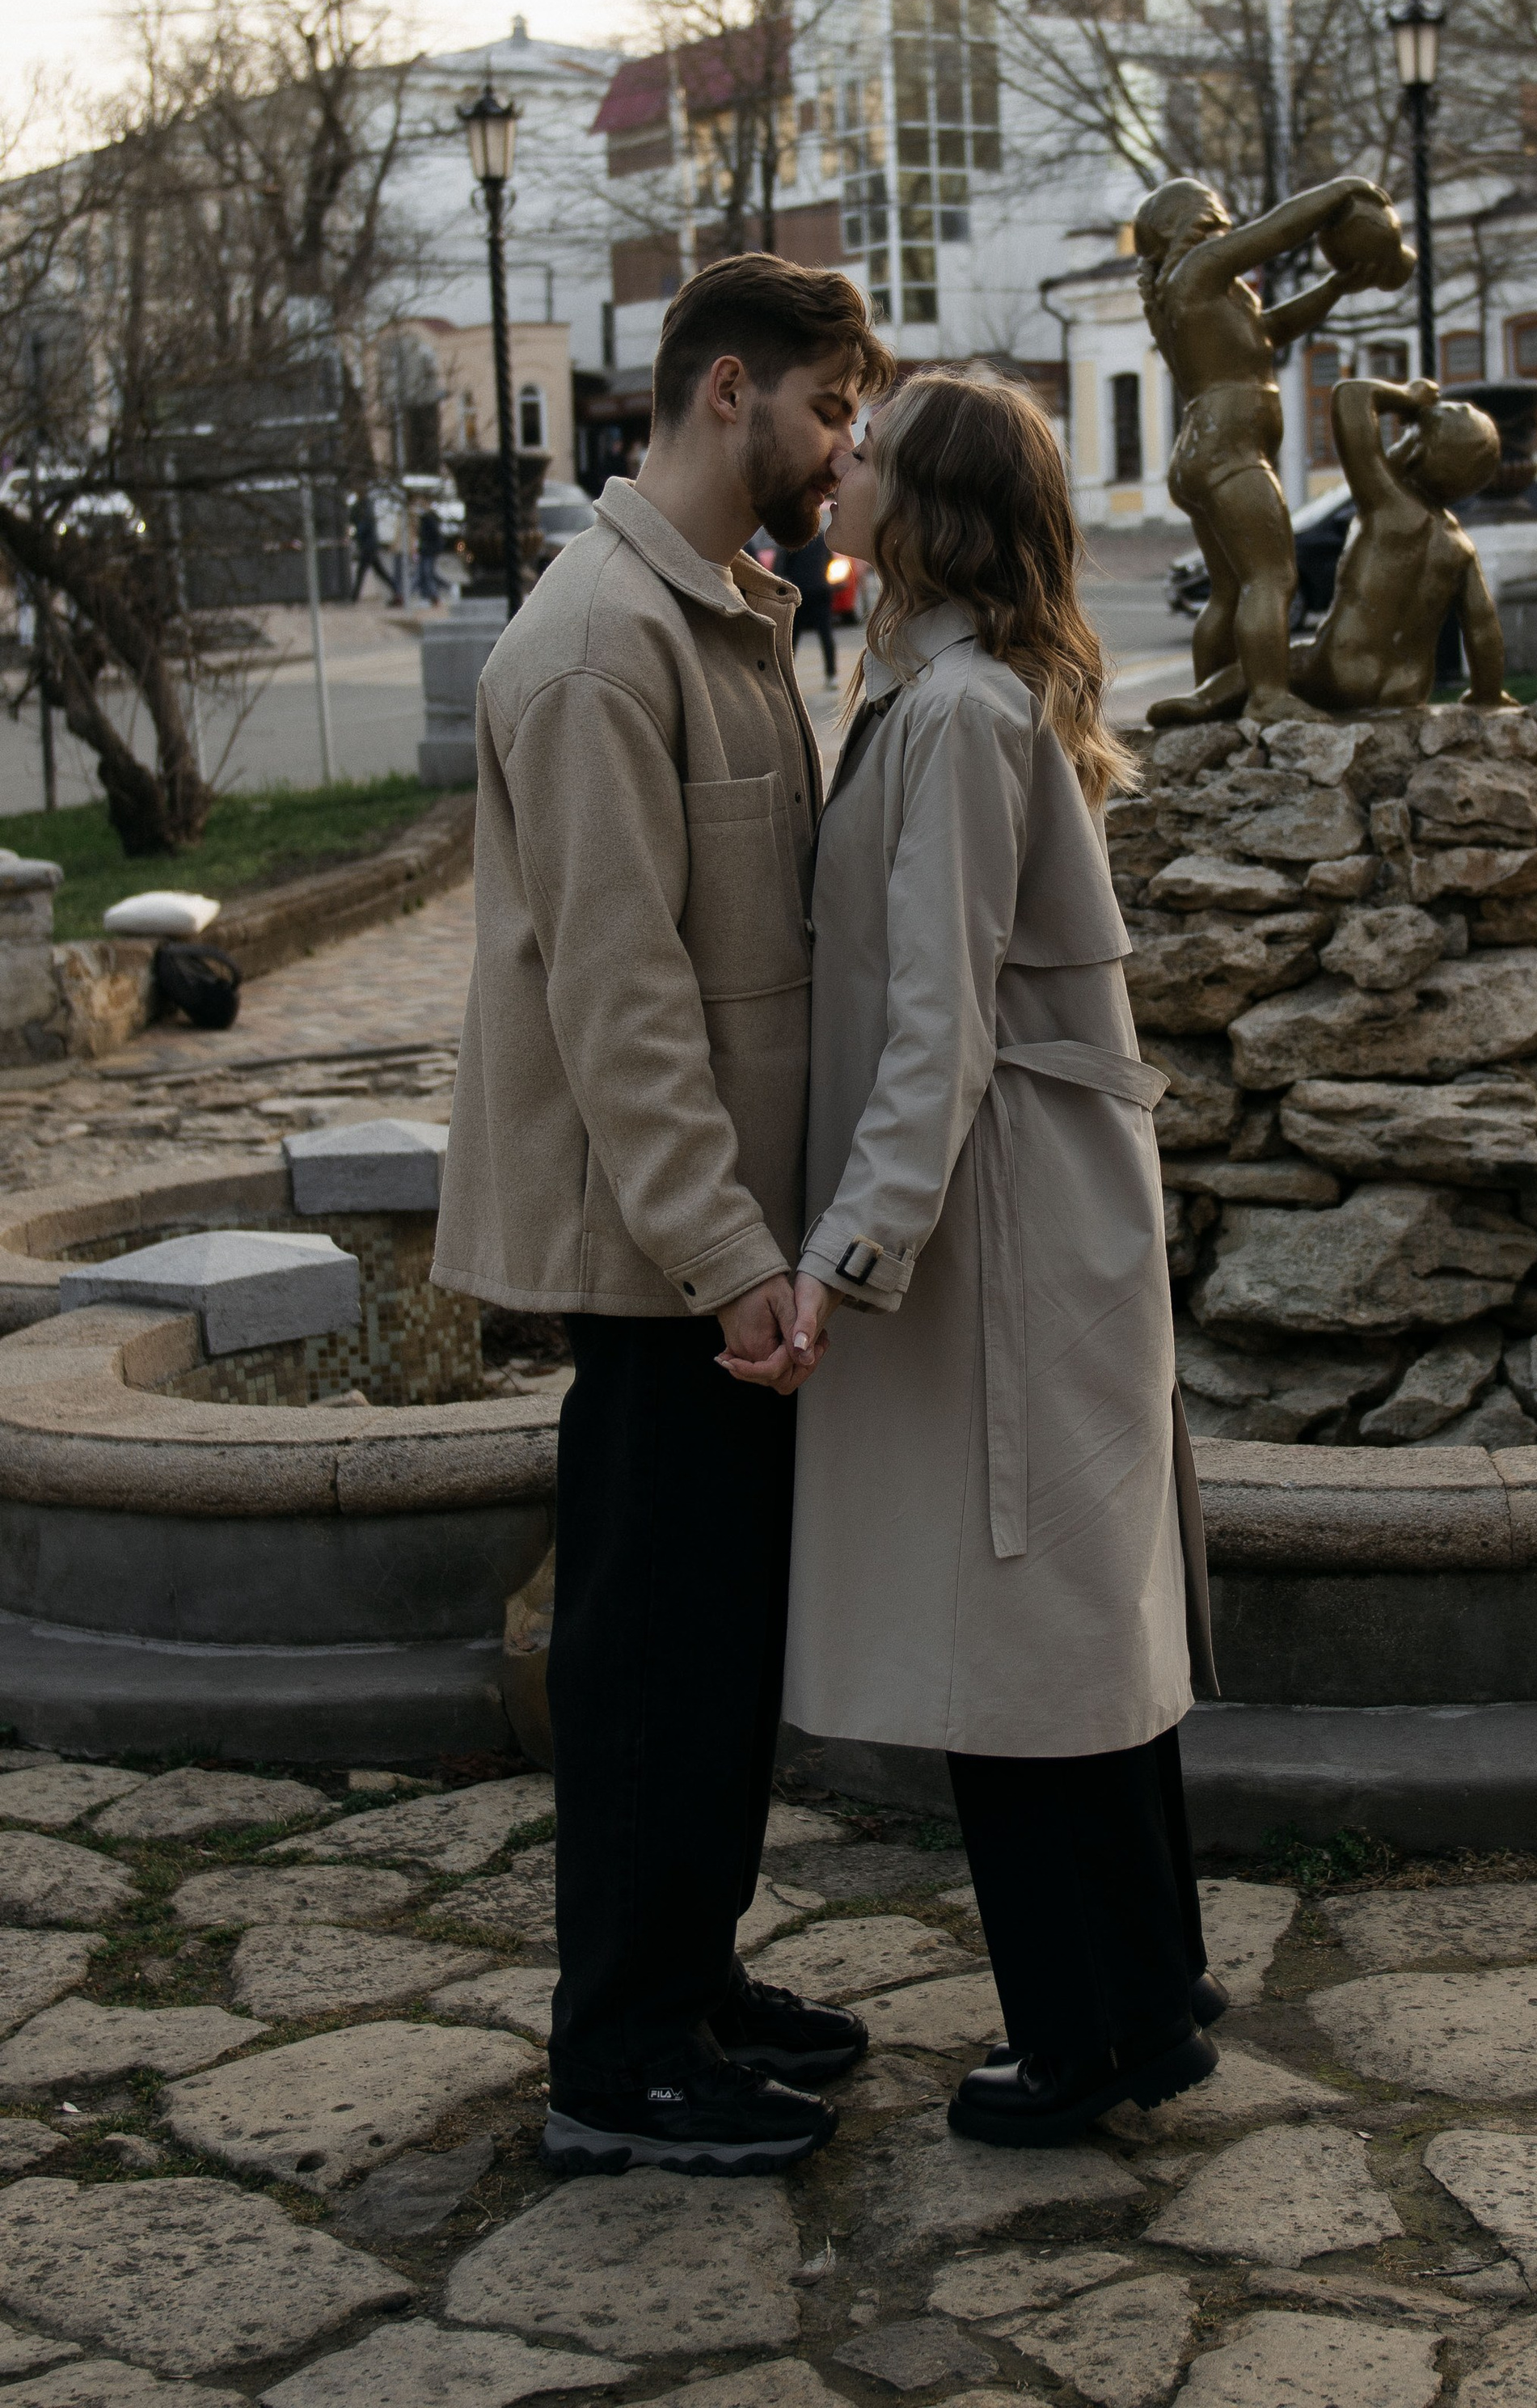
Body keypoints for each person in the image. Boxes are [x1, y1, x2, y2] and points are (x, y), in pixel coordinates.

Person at [430, 252, 897, 2179]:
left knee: (711, 1644)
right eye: (824, 409)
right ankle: (617, 2051)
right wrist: (731, 1259)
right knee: (646, 1655)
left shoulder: (720, 614)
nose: (840, 445)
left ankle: (689, 1980)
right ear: (728, 392)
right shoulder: (591, 648)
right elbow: (620, 1007)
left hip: (719, 1244)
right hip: (659, 1257)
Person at [747, 368, 1224, 2148]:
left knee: (1015, 1649)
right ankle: (1146, 1995)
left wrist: (841, 1258)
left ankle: (1093, 2039)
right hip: (1030, 1208)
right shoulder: (947, 686)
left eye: (866, 453)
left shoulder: (949, 714)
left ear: (927, 504)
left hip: (995, 1233)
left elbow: (935, 1030)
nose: (836, 466)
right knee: (1067, 1638)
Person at [1133, 173, 1411, 728]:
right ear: (1184, 225)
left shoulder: (1199, 292)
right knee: (1273, 577)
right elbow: (1278, 230)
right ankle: (1266, 695)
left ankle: (1215, 698)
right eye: (1212, 215)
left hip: (1205, 450)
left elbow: (1269, 331)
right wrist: (1342, 192)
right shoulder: (1197, 272)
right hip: (1228, 448)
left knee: (1231, 588)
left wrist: (1335, 287)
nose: (1225, 223)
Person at [1291, 374, 1511, 710]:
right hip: (1408, 687)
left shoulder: (1389, 506)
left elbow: (1350, 396)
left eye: (1407, 434)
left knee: (1267, 665)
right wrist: (1488, 693)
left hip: (1341, 670)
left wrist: (1408, 398)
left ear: (1416, 453)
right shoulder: (1459, 547)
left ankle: (1205, 700)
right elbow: (1482, 628)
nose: (1393, 445)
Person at [774, 526, 838, 685]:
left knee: (791, 637)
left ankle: (786, 677)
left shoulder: (792, 537)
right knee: (826, 634)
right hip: (820, 591)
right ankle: (831, 675)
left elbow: (781, 566)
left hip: (799, 592)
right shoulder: (822, 537)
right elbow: (829, 561)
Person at [350, 492, 400, 605]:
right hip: (369, 545)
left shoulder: (366, 507)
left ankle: (353, 598)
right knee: (379, 572)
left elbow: (364, 526)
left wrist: (356, 535)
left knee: (363, 572)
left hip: (369, 546)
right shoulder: (361, 506)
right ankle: (397, 590)